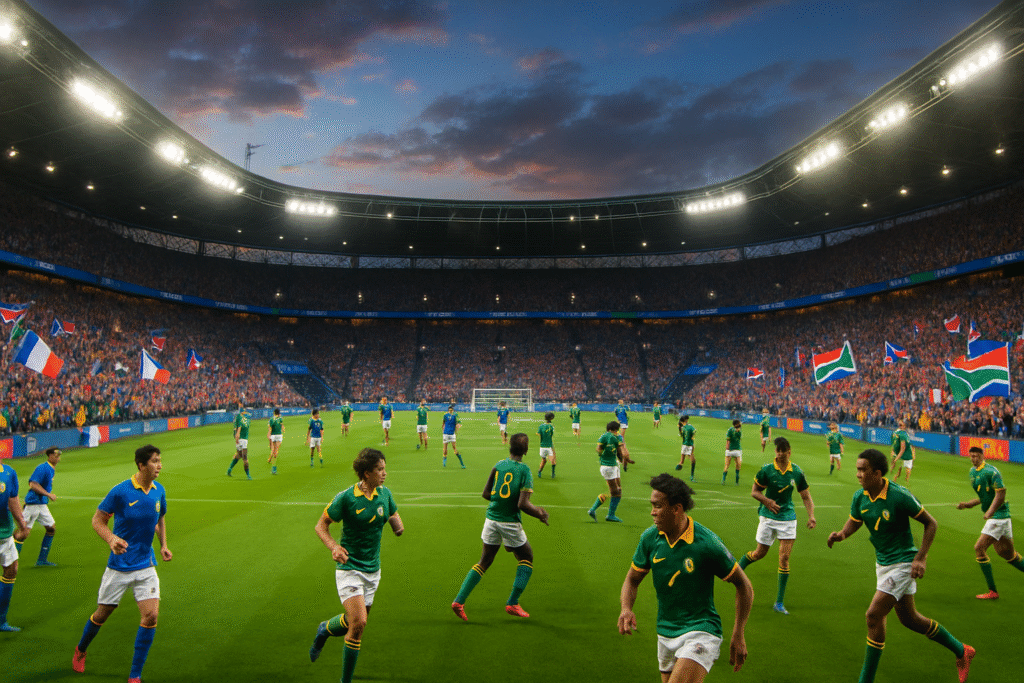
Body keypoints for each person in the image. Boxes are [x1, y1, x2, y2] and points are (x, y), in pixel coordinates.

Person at [827, 449, 974, 683]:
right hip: (883, 563)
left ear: (876, 473)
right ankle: (962, 650)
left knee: (873, 615)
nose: (858, 474)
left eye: (862, 470)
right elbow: (856, 520)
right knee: (910, 619)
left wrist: (920, 558)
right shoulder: (860, 496)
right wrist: (842, 534)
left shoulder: (898, 495)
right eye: (857, 469)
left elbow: (931, 523)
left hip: (904, 563)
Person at [618, 473, 753, 683]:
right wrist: (626, 608)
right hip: (665, 632)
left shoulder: (706, 543)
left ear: (676, 508)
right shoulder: (650, 539)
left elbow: (744, 585)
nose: (652, 513)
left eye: (658, 506)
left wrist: (738, 633)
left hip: (701, 630)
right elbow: (632, 579)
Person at [72, 445, 173, 683]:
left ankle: (134, 675)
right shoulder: (121, 491)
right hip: (119, 566)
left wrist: (163, 545)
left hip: (146, 565)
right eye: (155, 461)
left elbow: (160, 518)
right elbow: (98, 521)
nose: (160, 465)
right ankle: (81, 649)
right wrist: (112, 539)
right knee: (102, 615)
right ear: (141, 465)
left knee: (151, 617)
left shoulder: (159, 491)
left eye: (160, 460)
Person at [308, 448, 404, 683]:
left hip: (373, 570)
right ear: (366, 473)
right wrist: (334, 547)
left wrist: (397, 525)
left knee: (355, 622)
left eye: (384, 468)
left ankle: (324, 629)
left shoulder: (384, 493)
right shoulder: (346, 498)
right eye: (379, 469)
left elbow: (392, 513)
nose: (384, 473)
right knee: (359, 623)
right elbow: (321, 526)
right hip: (349, 568)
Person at [452, 433, 549, 621]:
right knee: (526, 557)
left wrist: (501, 502)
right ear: (526, 450)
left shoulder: (498, 465)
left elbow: (486, 493)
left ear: (510, 448)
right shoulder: (525, 471)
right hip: (509, 522)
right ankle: (513, 602)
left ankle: (459, 601)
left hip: (491, 519)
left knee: (485, 561)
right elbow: (523, 504)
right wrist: (540, 513)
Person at [737, 437, 816, 615]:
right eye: (777, 451)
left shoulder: (796, 472)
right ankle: (737, 571)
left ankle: (779, 603)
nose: (780, 454)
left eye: (783, 451)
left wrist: (811, 516)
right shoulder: (766, 470)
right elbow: (754, 492)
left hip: (788, 518)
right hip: (768, 517)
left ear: (789, 452)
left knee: (784, 558)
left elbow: (805, 496)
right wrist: (767, 501)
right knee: (759, 553)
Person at [955, 446, 1024, 599]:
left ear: (982, 456)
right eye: (971, 456)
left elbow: (1001, 493)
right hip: (998, 517)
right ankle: (993, 591)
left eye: (976, 456)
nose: (973, 459)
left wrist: (990, 512)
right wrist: (968, 504)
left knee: (979, 548)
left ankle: (993, 592)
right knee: (1007, 554)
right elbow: (985, 496)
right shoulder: (972, 473)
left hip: (999, 516)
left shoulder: (992, 472)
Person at [17, 446, 61, 567]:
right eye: (56, 456)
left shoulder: (51, 469)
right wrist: (48, 494)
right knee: (23, 533)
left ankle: (41, 561)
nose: (58, 458)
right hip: (33, 503)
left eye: (59, 456)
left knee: (51, 528)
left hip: (41, 504)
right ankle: (10, 560)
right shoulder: (43, 468)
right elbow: (32, 484)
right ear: (50, 456)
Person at [0, 458, 29, 632]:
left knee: (11, 570)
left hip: (4, 535)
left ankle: (1, 620)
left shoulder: (9, 472)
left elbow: (13, 500)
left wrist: (22, 524)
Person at [588, 421, 625, 522]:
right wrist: (621, 460)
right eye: (616, 430)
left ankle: (607, 513)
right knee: (615, 493)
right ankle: (605, 513)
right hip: (609, 467)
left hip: (609, 466)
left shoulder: (604, 436)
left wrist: (602, 456)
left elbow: (598, 449)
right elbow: (619, 452)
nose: (617, 432)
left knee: (617, 490)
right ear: (613, 429)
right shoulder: (613, 437)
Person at [227, 404, 252, 479]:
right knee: (245, 459)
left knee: (238, 455)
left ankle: (230, 468)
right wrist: (237, 436)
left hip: (239, 439)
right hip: (243, 440)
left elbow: (236, 428)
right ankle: (248, 475)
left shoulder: (237, 418)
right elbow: (239, 429)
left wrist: (236, 438)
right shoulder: (247, 420)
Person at [676, 415, 697, 481]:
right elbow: (694, 431)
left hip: (684, 445)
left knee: (682, 461)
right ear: (686, 420)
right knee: (693, 461)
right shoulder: (689, 426)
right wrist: (692, 438)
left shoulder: (682, 428)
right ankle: (692, 476)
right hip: (689, 445)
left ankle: (678, 466)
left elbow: (682, 436)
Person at [722, 420, 742, 485]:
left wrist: (738, 431)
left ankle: (737, 480)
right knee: (727, 465)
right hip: (730, 450)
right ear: (736, 424)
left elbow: (739, 437)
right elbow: (728, 439)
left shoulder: (739, 431)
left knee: (738, 464)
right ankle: (723, 480)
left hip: (737, 449)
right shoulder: (730, 430)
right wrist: (727, 447)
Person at [537, 412, 556, 478]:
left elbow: (538, 434)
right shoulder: (551, 426)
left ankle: (539, 471)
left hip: (542, 446)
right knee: (553, 460)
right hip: (549, 446)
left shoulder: (541, 426)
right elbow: (551, 435)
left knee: (544, 460)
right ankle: (553, 474)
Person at [267, 408, 284, 475]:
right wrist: (283, 429)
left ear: (274, 413)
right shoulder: (280, 419)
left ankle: (270, 459)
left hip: (273, 435)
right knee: (276, 451)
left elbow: (270, 428)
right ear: (279, 413)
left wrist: (268, 435)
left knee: (273, 449)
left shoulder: (271, 419)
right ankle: (274, 468)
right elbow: (282, 425)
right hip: (279, 435)